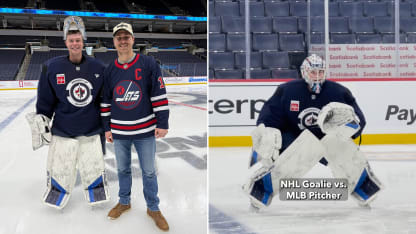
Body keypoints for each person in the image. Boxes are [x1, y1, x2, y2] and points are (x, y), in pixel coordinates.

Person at [243, 54, 382, 210]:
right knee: (289, 164)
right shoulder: (288, 90)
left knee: (343, 150)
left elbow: (358, 119)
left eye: (320, 72)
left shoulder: (339, 92)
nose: (317, 76)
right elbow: (271, 114)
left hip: (328, 138)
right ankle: (261, 190)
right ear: (304, 72)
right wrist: (268, 129)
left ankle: (362, 188)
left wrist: (350, 126)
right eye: (313, 72)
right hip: (295, 138)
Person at [26, 16, 109, 209]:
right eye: (71, 40)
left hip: (91, 131)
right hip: (63, 131)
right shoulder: (51, 67)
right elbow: (46, 101)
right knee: (60, 170)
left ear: (83, 41)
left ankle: (96, 193)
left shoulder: (99, 68)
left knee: (94, 168)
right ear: (65, 42)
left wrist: (107, 129)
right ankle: (58, 192)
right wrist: (43, 121)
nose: (75, 44)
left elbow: (104, 102)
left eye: (78, 40)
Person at [101, 22, 170, 231]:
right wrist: (106, 127)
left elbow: (158, 94)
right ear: (114, 42)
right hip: (120, 131)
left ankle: (153, 208)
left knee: (148, 171)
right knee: (122, 169)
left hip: (145, 130)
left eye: (126, 37)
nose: (123, 41)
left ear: (133, 39)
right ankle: (124, 202)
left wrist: (163, 122)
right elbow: (105, 102)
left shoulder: (148, 64)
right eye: (119, 37)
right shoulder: (110, 70)